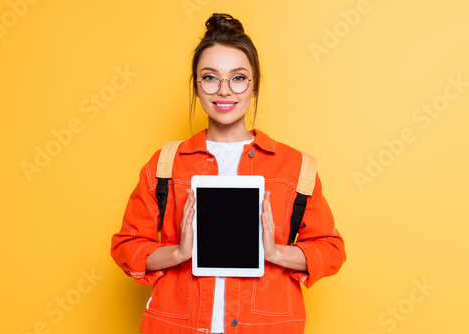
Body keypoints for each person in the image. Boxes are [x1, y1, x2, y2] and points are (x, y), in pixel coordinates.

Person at [111, 13, 346, 334]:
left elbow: (331, 250)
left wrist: (276, 253)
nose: (224, 90)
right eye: (210, 77)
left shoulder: (295, 167)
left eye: (238, 78)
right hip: (177, 324)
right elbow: (126, 246)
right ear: (196, 86)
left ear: (254, 87)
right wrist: (179, 252)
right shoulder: (165, 163)